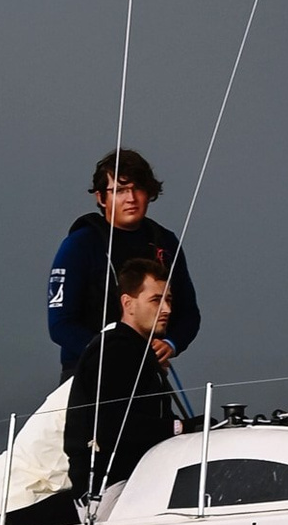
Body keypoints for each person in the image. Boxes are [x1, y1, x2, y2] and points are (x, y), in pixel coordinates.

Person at [47, 148, 200, 381]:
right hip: (86, 373)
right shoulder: (79, 245)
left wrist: (171, 343)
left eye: (138, 188)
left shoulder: (165, 242)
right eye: (119, 190)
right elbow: (60, 324)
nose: (131, 198)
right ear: (101, 197)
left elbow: (189, 312)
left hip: (148, 372)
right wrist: (112, 354)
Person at [62, 236, 187, 504]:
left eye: (169, 300)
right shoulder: (115, 350)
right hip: (111, 491)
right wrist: (181, 427)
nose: (167, 309)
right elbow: (112, 426)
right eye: (156, 300)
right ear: (128, 303)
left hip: (140, 481)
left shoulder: (139, 353)